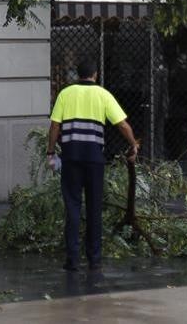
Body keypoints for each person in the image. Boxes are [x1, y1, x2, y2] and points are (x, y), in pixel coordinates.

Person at [47, 60, 138, 272]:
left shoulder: (65, 94)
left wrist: (50, 152)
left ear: (77, 75)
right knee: (94, 208)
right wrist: (133, 144)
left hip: (70, 158)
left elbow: (54, 126)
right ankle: (94, 260)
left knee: (73, 208)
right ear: (95, 74)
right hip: (95, 160)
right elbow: (122, 124)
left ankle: (72, 260)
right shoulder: (103, 95)